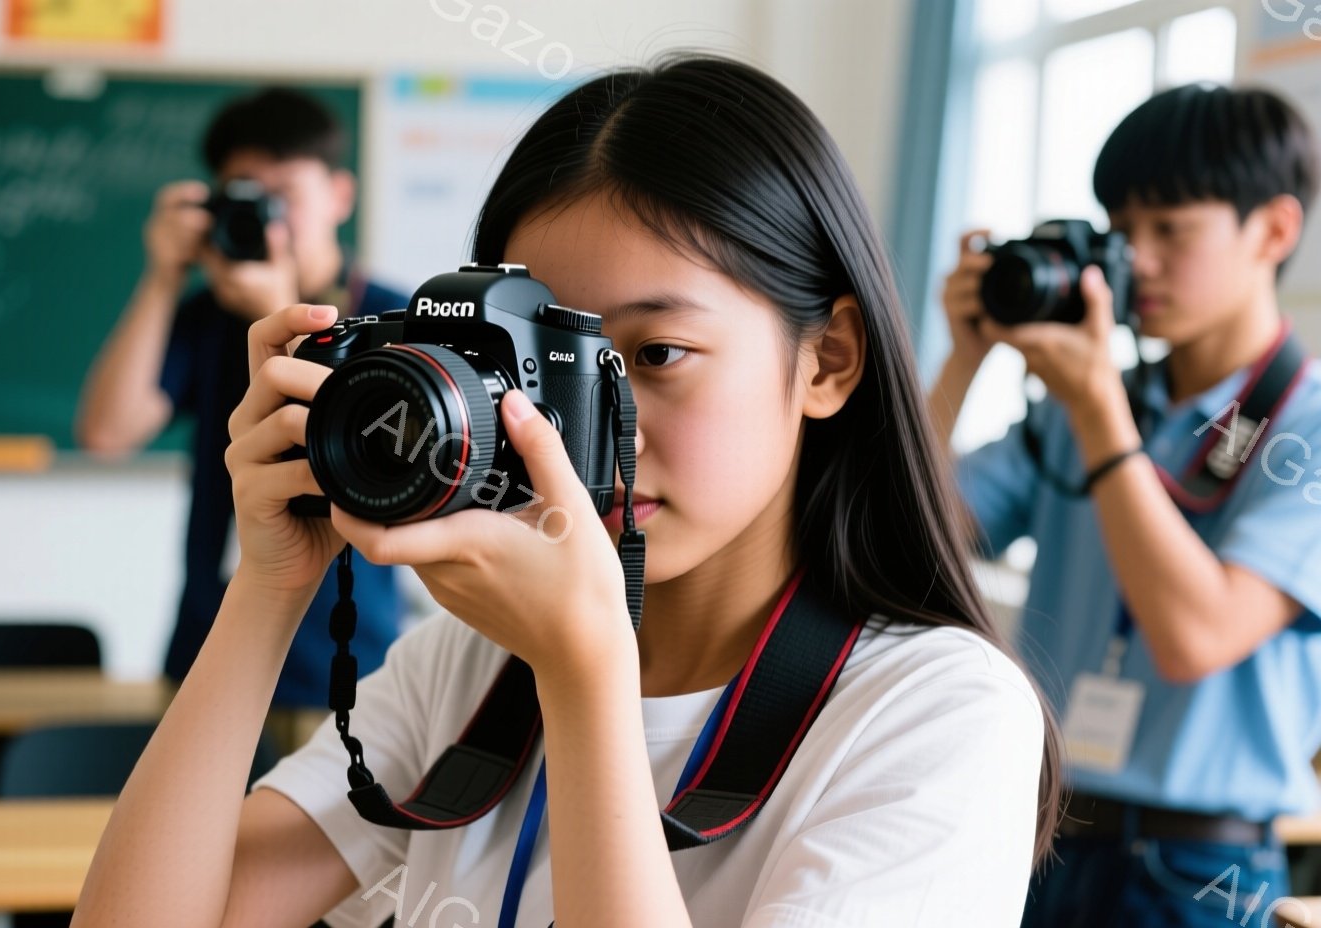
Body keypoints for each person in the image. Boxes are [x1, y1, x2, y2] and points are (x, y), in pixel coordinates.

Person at [71, 55, 1060, 928]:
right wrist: (269, 583)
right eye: (542, 367)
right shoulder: (466, 668)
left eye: (658, 353)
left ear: (827, 359)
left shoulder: (937, 715)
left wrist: (589, 681)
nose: (584, 432)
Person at [930, 83, 1321, 927]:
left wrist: (1100, 410)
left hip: (1202, 870)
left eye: (1170, 229)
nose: (1136, 260)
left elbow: (1195, 634)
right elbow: (905, 529)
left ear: (1275, 230)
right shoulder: (1088, 400)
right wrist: (960, 366)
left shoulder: (1308, 428)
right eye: (1122, 229)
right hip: (1040, 832)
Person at [77, 87, 411, 749]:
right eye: (246, 195)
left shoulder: (390, 315)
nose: (269, 215)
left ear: (339, 196)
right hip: (212, 643)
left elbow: (376, 446)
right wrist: (163, 275)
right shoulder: (207, 317)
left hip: (348, 653)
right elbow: (107, 433)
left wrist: (279, 310)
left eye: (285, 192)